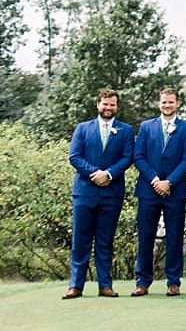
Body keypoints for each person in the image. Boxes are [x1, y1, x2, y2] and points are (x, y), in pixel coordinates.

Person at [63, 88, 135, 299]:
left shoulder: (126, 130)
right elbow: (74, 157)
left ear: (116, 107)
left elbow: (127, 158)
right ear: (98, 104)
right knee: (80, 240)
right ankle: (75, 286)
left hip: (111, 194)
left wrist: (109, 174)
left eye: (112, 104)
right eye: (105, 104)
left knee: (105, 241)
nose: (108, 108)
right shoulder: (83, 129)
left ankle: (105, 285)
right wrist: (95, 173)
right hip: (84, 192)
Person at [131, 87, 186, 297]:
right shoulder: (146, 127)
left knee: (175, 237)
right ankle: (142, 281)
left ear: (177, 104)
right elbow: (139, 156)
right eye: (164, 102)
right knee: (145, 237)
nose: (167, 105)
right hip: (148, 190)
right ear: (159, 104)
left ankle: (173, 282)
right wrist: (156, 180)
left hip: (175, 192)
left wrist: (170, 182)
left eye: (171, 102)